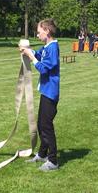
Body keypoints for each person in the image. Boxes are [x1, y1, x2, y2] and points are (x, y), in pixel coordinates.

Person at [20, 18, 60, 171]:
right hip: (45, 91)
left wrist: (31, 57)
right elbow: (39, 54)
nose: (37, 35)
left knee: (46, 126)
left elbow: (44, 68)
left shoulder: (53, 48)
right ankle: (43, 154)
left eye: (39, 32)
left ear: (47, 31)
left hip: (51, 93)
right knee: (41, 124)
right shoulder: (47, 47)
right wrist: (28, 51)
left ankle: (53, 161)